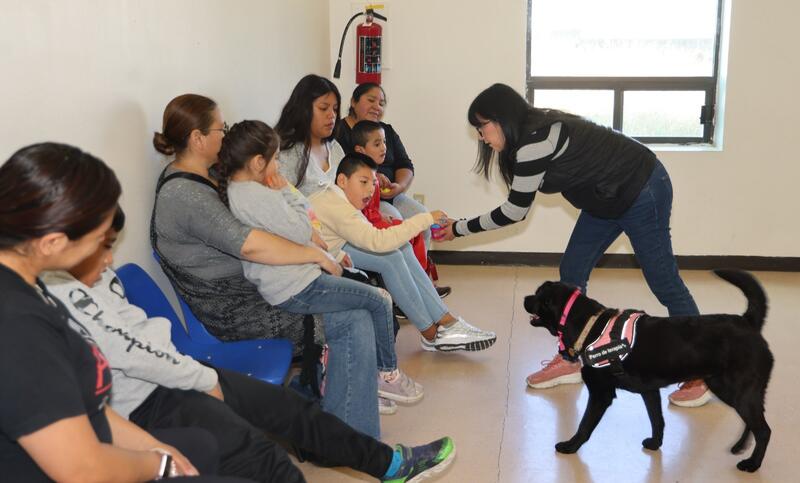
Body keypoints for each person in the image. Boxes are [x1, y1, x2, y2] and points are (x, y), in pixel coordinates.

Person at [43, 206, 456, 483]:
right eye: (102, 243)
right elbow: (130, 350)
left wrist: (193, 373)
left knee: (293, 411)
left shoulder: (90, 272)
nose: (109, 257)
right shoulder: (58, 292)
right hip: (150, 399)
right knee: (272, 465)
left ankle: (391, 464)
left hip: (174, 372)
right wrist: (201, 379)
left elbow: (140, 333)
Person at [437, 83, 707, 407]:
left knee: (662, 279)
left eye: (482, 127)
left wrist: (458, 229)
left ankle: (701, 369)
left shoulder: (534, 142)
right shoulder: (528, 138)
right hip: (605, 198)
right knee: (572, 270)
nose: (481, 136)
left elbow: (515, 212)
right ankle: (570, 357)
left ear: (502, 118)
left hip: (642, 188)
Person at [0, 142, 245, 482]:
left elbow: (88, 409)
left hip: (90, 440)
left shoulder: (29, 282)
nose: (109, 256)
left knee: (199, 444)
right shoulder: (17, 326)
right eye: (100, 239)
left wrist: (151, 447)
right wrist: (157, 464)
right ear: (52, 242)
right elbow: (82, 470)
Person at [150, 93, 382, 437]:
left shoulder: (211, 174)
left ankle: (344, 426)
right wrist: (317, 255)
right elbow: (254, 246)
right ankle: (351, 435)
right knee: (353, 319)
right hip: (237, 309)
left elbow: (269, 219)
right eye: (220, 128)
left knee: (360, 306)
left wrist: (312, 245)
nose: (225, 135)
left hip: (260, 286)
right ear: (198, 139)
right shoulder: (184, 197)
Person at [218, 119, 422, 413]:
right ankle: (386, 375)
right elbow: (303, 226)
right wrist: (287, 191)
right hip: (296, 285)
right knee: (379, 300)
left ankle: (364, 384)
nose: (279, 167)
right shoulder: (256, 195)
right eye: (275, 160)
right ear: (257, 162)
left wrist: (302, 216)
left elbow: (303, 228)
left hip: (297, 277)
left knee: (363, 308)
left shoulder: (249, 188)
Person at [309, 153, 497, 353]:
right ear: (342, 180)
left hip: (330, 250)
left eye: (373, 184)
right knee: (390, 257)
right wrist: (424, 219)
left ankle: (446, 322)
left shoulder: (337, 197)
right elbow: (378, 242)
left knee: (403, 248)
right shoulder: (339, 208)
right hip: (312, 261)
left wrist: (336, 254)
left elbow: (328, 233)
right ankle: (432, 334)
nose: (369, 190)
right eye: (363, 182)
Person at [336, 83, 451, 297]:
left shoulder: (386, 129)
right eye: (371, 100)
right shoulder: (339, 133)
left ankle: (422, 283)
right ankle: (400, 292)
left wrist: (399, 186)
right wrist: (373, 183)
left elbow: (406, 165)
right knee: (398, 224)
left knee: (423, 219)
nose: (377, 107)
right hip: (366, 199)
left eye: (381, 103)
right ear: (353, 101)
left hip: (391, 195)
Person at [350, 120, 428, 273]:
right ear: (360, 150)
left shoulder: (373, 172)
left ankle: (420, 276)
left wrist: (380, 213)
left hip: (375, 218)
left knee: (415, 233)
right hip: (367, 226)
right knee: (405, 235)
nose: (384, 148)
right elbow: (356, 209)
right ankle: (410, 277)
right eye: (377, 144)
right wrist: (376, 215)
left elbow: (371, 207)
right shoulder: (360, 176)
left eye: (384, 142)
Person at [276, 74, 346, 198]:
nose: (332, 115)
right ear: (303, 110)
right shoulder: (288, 151)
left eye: (335, 109)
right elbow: (284, 201)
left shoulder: (335, 148)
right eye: (323, 108)